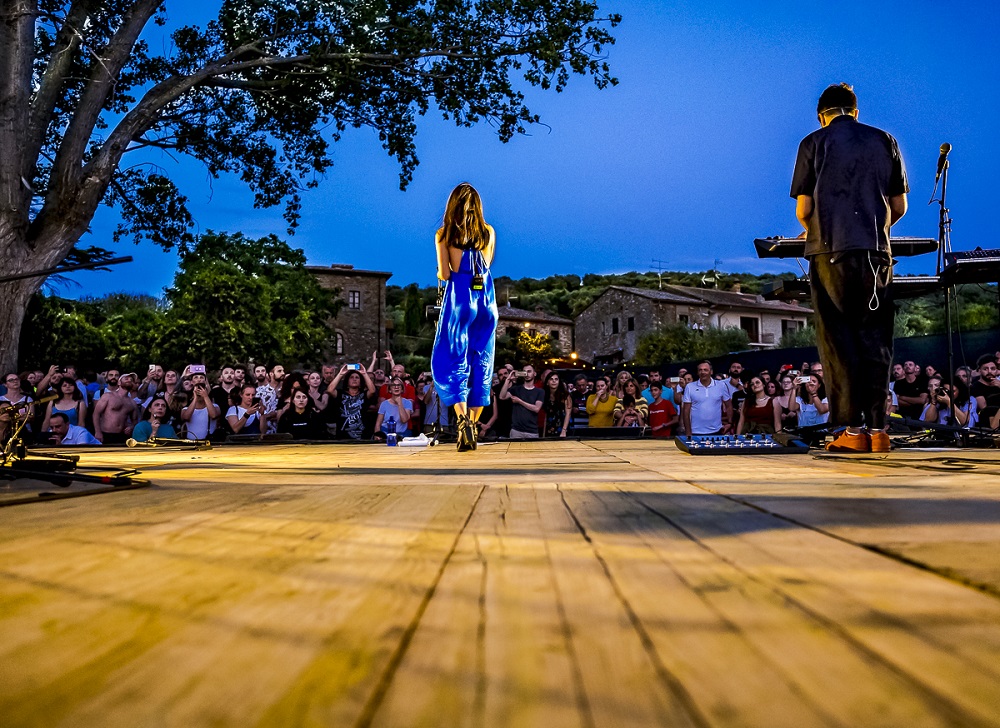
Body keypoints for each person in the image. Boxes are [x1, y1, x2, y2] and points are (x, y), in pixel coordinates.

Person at [791, 83, 907, 453]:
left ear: (822, 116)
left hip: (829, 253)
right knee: (875, 340)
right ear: (855, 112)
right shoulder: (885, 139)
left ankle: (852, 433)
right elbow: (898, 205)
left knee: (839, 341)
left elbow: (804, 212)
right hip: (876, 252)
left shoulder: (813, 142)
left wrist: (820, 229)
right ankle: (879, 430)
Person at [429, 183, 499, 451]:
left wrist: (441, 273)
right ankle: (473, 422)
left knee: (453, 360)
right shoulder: (489, 232)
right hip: (486, 302)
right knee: (482, 363)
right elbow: (488, 264)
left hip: (460, 299)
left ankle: (462, 422)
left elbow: (445, 274)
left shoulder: (444, 234)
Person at [681, 361, 732, 437]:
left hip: (717, 431)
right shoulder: (690, 387)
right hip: (695, 432)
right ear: (697, 372)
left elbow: (729, 405)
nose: (702, 372)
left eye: (705, 370)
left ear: (711, 372)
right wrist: (688, 432)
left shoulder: (721, 385)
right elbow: (686, 411)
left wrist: (730, 423)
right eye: (700, 370)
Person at [327, 365, 376, 441]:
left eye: (357, 377)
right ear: (347, 381)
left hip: (362, 435)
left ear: (360, 382)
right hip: (343, 435)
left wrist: (364, 374)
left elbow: (372, 391)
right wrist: (340, 374)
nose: (354, 379)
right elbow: (329, 390)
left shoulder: (364, 394)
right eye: (351, 377)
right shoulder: (340, 394)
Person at [92, 371, 138, 444]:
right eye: (126, 379)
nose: (129, 380)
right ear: (119, 382)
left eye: (131, 380)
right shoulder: (108, 396)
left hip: (122, 436)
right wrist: (98, 432)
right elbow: (96, 414)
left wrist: (131, 427)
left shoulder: (132, 403)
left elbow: (135, 420)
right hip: (106, 434)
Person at [499, 366, 544, 439]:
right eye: (524, 372)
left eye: (529, 371)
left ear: (534, 373)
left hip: (532, 431)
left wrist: (519, 401)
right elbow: (502, 397)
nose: (527, 374)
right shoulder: (516, 389)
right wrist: (508, 379)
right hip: (516, 430)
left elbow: (536, 408)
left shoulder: (539, 391)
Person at [971, 354, 1000, 425]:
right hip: (987, 425)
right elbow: (985, 409)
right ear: (979, 370)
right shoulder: (975, 387)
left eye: (993, 369)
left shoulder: (998, 385)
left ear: (997, 371)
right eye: (985, 369)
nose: (989, 372)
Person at [541, 372, 572, 438]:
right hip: (549, 427)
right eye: (551, 379)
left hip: (563, 427)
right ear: (547, 382)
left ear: (559, 382)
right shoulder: (544, 395)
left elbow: (568, 414)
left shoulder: (565, 395)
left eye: (556, 379)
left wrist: (564, 430)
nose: (554, 381)